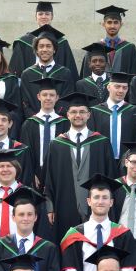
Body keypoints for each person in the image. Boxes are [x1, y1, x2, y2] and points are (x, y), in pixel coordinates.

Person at [60, 175, 136, 271]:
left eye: (105, 198)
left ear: (111, 202)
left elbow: (128, 269)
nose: (100, 201)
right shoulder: (74, 234)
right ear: (89, 201)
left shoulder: (123, 234)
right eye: (96, 197)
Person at [44, 93, 116, 240]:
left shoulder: (101, 142)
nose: (78, 115)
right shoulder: (57, 144)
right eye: (74, 112)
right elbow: (48, 178)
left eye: (82, 111)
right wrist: (50, 207)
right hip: (64, 206)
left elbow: (111, 176)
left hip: (96, 206)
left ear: (89, 115)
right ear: (67, 115)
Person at [19, 78, 70, 188]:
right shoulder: (29, 124)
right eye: (44, 95)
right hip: (35, 175)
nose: (48, 98)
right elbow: (24, 153)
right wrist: (31, 174)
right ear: (38, 97)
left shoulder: (65, 124)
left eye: (52, 95)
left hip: (59, 174)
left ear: (57, 98)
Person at [18, 25, 77, 116]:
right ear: (36, 50)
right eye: (41, 46)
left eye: (48, 46)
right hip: (34, 122)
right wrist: (36, 118)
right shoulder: (27, 74)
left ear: (54, 49)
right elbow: (24, 102)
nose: (44, 49)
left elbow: (67, 100)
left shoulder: (65, 73)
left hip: (59, 121)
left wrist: (54, 117)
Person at [9, 1, 78, 78]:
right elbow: (16, 71)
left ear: (52, 16)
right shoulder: (23, 42)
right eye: (40, 14)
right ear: (36, 17)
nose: (44, 16)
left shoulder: (62, 42)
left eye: (47, 14)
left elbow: (70, 71)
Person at [89, 72, 136, 160]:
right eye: (117, 86)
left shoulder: (134, 111)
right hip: (102, 160)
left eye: (124, 88)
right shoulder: (96, 111)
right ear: (108, 87)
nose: (121, 91)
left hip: (127, 161)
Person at [91, 5, 136, 75]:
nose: (112, 26)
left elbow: (135, 75)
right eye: (109, 22)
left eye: (116, 22)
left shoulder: (129, 48)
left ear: (121, 24)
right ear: (103, 24)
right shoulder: (95, 48)